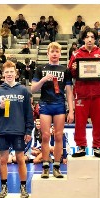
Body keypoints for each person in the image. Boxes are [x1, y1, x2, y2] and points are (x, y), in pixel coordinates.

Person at [0, 60, 34, 198]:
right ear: (3, 74)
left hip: (18, 131)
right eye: (6, 72)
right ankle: (4, 188)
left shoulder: (23, 91)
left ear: (16, 73)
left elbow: (28, 112)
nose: (9, 74)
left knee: (21, 159)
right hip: (2, 130)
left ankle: (23, 188)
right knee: (3, 160)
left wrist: (28, 130)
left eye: (11, 72)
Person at [68, 27, 100, 158]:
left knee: (98, 122)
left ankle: (97, 147)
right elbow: (71, 72)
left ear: (95, 39)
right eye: (87, 37)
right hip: (81, 93)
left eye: (92, 37)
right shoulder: (76, 54)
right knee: (80, 122)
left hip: (98, 93)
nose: (89, 39)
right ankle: (81, 146)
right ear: (83, 39)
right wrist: (73, 69)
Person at [31, 42, 74, 178]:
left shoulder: (65, 70)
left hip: (59, 105)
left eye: (57, 51)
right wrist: (43, 80)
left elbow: (69, 91)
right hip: (45, 105)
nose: (55, 54)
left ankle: (56, 166)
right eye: (52, 51)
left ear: (60, 54)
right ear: (48, 53)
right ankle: (45, 166)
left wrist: (71, 111)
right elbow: (33, 89)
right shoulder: (41, 69)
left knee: (59, 136)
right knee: (45, 136)